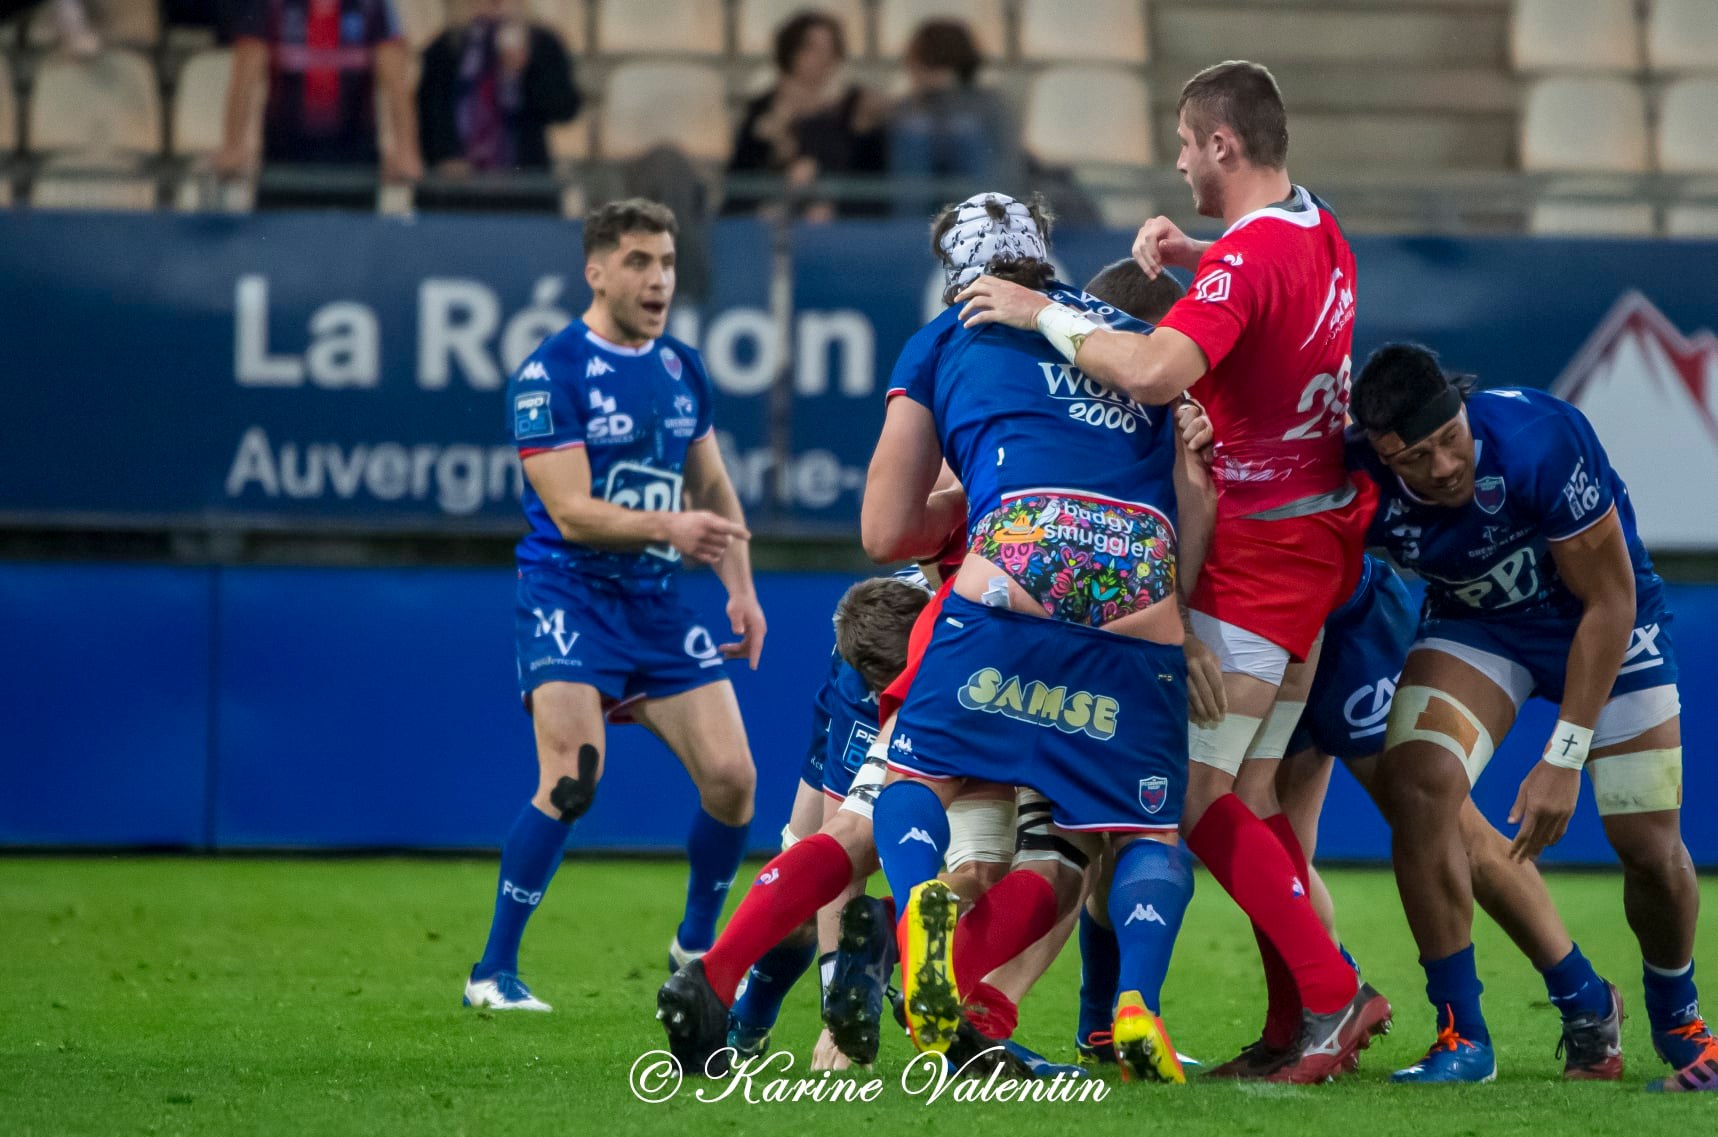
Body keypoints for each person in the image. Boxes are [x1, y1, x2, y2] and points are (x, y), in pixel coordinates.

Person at [954, 60, 1385, 1083]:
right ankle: (1296, 1019)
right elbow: (1267, 291)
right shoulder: (1318, 226)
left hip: (1261, 554)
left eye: (1187, 146)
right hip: (1317, 540)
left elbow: (1152, 372)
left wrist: (1041, 311)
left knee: (1186, 795)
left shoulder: (1248, 259)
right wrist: (1198, 255)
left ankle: (1333, 996)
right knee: (1254, 794)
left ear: (1222, 145)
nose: (1182, 163)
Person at [859, 190, 1220, 1084]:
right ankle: (1135, 1003)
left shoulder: (942, 337)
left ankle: (921, 909)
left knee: (918, 778)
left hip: (1019, 552)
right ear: (1043, 251)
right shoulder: (1129, 338)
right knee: (1146, 831)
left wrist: (966, 507)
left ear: (954, 270)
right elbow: (1193, 496)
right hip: (1139, 577)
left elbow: (885, 530)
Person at [1348, 344, 1715, 1092]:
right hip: (1481, 628)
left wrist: (1563, 755)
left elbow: (1609, 601)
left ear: (1463, 407)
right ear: (1382, 453)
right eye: (1415, 458)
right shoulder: (1352, 476)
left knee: (1647, 845)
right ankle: (1462, 1033)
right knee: (1417, 786)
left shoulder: (1540, 436)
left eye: (1450, 438)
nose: (1443, 466)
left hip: (1608, 622)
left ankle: (1678, 1017)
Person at [462, 199, 766, 1013]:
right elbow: (569, 511)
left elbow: (712, 483)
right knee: (573, 777)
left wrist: (741, 587)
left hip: (655, 603)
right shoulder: (550, 373)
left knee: (733, 779)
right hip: (569, 593)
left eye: (665, 262)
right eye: (638, 261)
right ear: (595, 272)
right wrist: (671, 526)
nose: (658, 279)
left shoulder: (682, 368)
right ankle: (493, 970)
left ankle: (695, 945)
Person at [218, 0, 423, 207]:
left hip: (355, 157)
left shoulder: (373, 5)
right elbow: (244, 79)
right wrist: (233, 145)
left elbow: (396, 84)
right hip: (285, 157)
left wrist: (406, 149)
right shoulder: (269, 4)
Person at [725, 8, 884, 220]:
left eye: (830, 49)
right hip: (772, 214)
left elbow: (869, 174)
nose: (823, 58)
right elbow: (741, 173)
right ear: (791, 53)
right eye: (811, 48)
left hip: (839, 218)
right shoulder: (765, 108)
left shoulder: (857, 105)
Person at [417, 0, 580, 180]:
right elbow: (429, 110)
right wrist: (446, 155)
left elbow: (564, 110)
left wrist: (526, 69)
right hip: (459, 180)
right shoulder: (447, 46)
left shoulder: (541, 43)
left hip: (523, 177)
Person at [887, 20, 1020, 217]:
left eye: (916, 61)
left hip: (982, 207)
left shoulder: (990, 106)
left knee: (961, 130)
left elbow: (1005, 165)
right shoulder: (907, 110)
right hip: (919, 216)